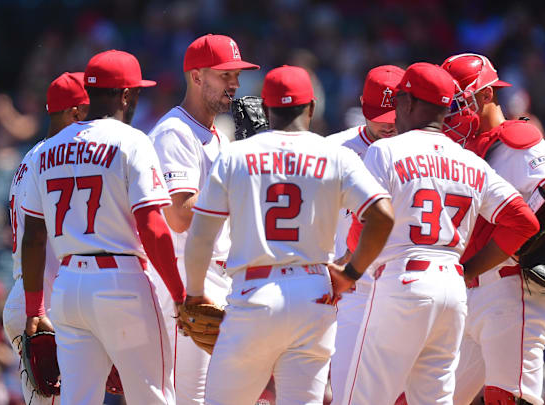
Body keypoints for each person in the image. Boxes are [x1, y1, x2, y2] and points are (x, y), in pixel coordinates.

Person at [182, 65, 395, 405]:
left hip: (254, 291)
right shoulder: (337, 154)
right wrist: (350, 273)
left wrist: (194, 294)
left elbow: (201, 237)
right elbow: (382, 216)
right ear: (311, 107)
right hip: (314, 295)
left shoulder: (235, 155)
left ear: (266, 109)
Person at [336, 62, 540, 405]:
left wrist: (350, 266)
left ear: (408, 102)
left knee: (362, 398)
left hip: (400, 283)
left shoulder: (385, 150)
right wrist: (471, 269)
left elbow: (364, 226)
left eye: (401, 98)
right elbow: (525, 222)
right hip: (452, 289)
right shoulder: (470, 161)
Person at [20, 50, 186, 405]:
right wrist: (180, 294)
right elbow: (153, 226)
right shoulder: (132, 141)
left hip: (68, 290)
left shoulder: (47, 150)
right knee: (152, 397)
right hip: (120, 283)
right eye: (137, 92)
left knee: (78, 400)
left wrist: (35, 309)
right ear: (125, 95)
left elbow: (33, 238)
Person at [442, 53, 545, 405]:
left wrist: (520, 241)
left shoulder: (514, 138)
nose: (451, 114)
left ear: (487, 95)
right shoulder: (463, 148)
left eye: (459, 102)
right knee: (428, 397)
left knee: (509, 400)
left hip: (510, 287)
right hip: (472, 292)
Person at [146, 33, 259, 405]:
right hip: (184, 284)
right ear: (196, 77)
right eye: (224, 75)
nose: (235, 84)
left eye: (237, 75)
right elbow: (178, 215)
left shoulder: (217, 137)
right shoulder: (174, 132)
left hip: (217, 278)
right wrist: (236, 182)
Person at [3, 71, 88, 405]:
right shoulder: (62, 159)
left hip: (32, 295)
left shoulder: (34, 156)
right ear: (75, 113)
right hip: (41, 305)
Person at [325, 64, 404, 405]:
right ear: (362, 105)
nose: (388, 122)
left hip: (402, 289)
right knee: (348, 394)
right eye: (379, 114)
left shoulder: (421, 150)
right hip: (349, 291)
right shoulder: (333, 149)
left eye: (394, 113)